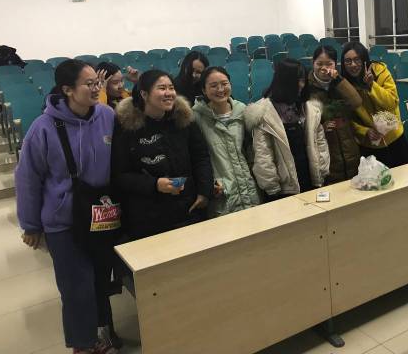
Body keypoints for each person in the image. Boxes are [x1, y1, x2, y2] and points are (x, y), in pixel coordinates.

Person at [15, 60, 119, 354]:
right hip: (63, 220)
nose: (96, 88)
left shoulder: (107, 115)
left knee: (99, 280)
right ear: (67, 90)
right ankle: (83, 345)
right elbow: (27, 178)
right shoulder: (43, 128)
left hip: (101, 215)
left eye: (97, 83)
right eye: (89, 84)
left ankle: (102, 332)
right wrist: (31, 225)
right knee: (76, 287)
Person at [112, 70, 213, 240]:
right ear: (144, 94)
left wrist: (204, 192)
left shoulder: (183, 119)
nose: (169, 93)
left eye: (171, 88)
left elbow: (201, 156)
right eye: (162, 88)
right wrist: (154, 184)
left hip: (188, 208)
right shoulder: (127, 126)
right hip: (149, 216)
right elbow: (120, 175)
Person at [244, 58, 329, 198]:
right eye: (297, 81)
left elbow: (320, 144)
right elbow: (263, 155)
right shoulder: (264, 113)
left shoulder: (309, 108)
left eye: (303, 80)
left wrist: (322, 171)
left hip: (311, 177)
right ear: (284, 82)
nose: (301, 85)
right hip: (284, 188)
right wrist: (272, 188)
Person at [192, 66, 261, 217]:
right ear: (204, 90)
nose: (220, 89)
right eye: (213, 86)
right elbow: (196, 158)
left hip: (249, 188)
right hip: (222, 193)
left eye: (224, 84)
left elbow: (251, 150)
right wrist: (208, 184)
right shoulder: (196, 117)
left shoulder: (242, 110)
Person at [341, 41, 408, 168]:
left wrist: (372, 86)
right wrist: (364, 131)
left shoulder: (380, 72)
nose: (353, 65)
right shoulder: (344, 85)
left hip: (394, 138)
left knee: (405, 176)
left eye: (357, 60)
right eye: (348, 61)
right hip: (370, 143)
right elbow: (347, 118)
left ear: (364, 60)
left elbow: (392, 102)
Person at [308, 45, 362, 182]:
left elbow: (356, 102)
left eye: (329, 64)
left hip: (348, 144)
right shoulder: (307, 88)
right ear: (312, 63)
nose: (324, 68)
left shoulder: (340, 83)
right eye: (319, 64)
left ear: (335, 64)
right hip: (325, 149)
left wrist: (338, 80)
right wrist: (321, 127)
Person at [0, 45, 26, 114]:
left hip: (12, 80)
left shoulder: (14, 56)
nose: (5, 57)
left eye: (7, 55)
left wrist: (12, 68)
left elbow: (23, 64)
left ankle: (18, 105)